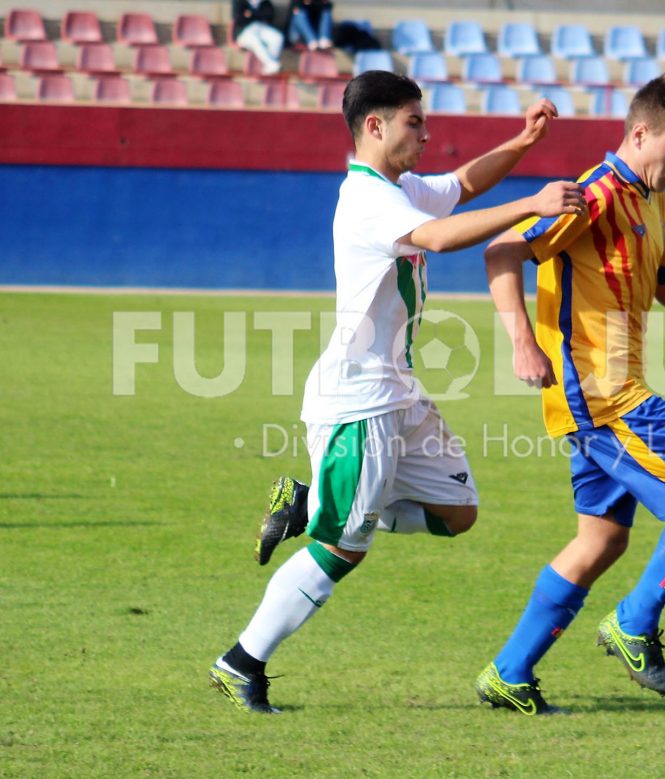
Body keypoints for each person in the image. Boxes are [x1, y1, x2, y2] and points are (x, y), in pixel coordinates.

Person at [208, 70, 586, 714]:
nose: (427, 133)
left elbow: (463, 185)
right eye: (415, 121)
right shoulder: (367, 200)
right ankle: (240, 662)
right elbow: (440, 236)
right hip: (358, 401)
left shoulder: (398, 188)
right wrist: (532, 203)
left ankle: (309, 501)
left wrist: (523, 143)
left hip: (398, 395)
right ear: (375, 126)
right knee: (342, 549)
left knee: (457, 512)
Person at [472, 71, 665, 715]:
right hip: (603, 395)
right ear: (640, 134)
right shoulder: (594, 194)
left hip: (607, 396)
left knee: (602, 542)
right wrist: (522, 342)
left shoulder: (650, 195)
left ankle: (508, 672)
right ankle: (634, 622)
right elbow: (502, 252)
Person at [231, 0, 284, 76]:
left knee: (277, 37)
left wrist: (251, 14)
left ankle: (269, 67)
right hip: (243, 32)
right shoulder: (239, 1)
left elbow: (270, 15)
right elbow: (238, 18)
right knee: (255, 40)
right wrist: (258, 14)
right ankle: (271, 64)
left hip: (260, 27)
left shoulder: (264, 2)